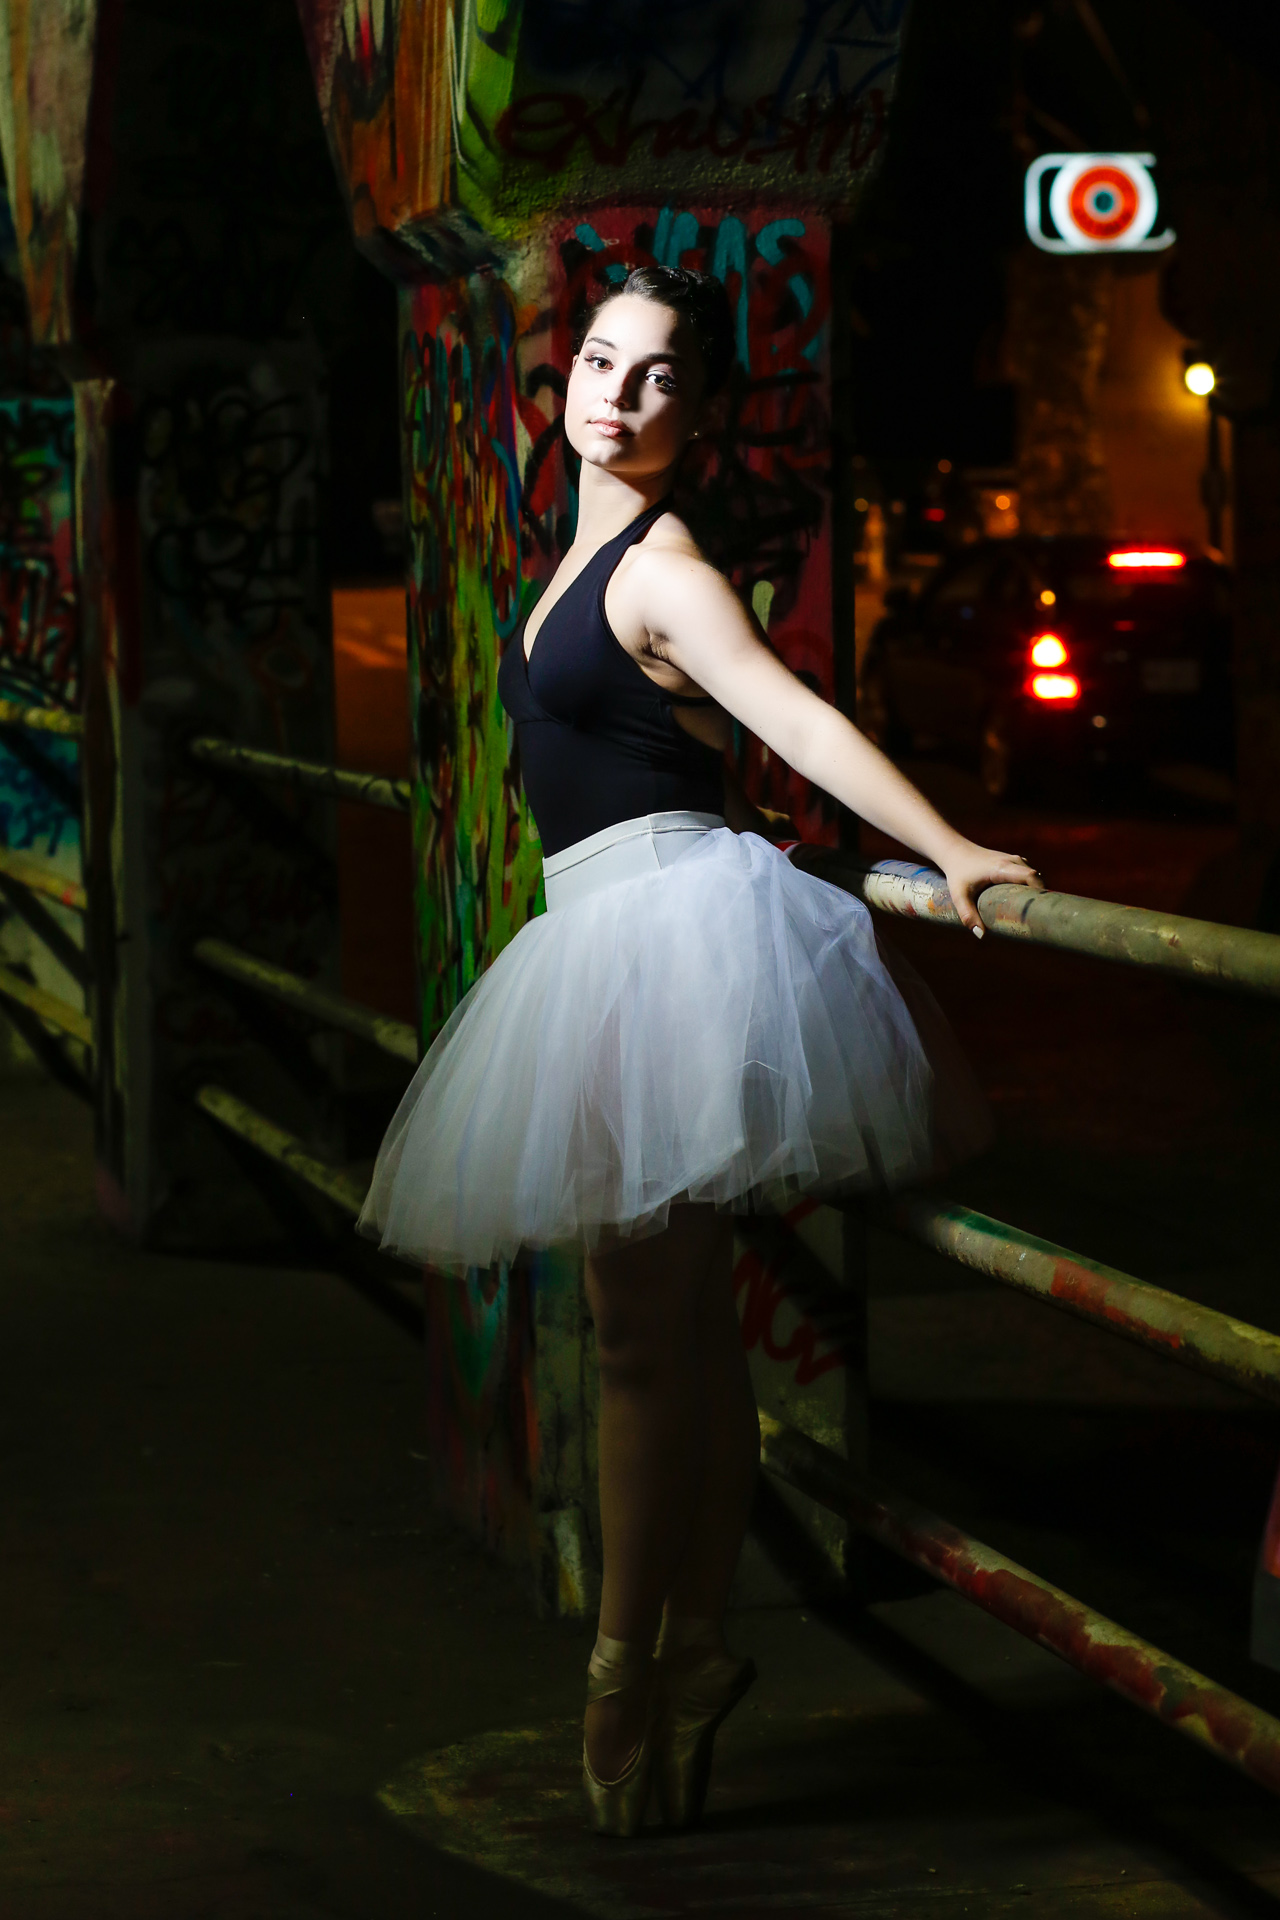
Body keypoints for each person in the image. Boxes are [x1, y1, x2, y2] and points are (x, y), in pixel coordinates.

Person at [360, 264, 1043, 1838]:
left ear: (697, 410)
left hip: (668, 931)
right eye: (602, 360)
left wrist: (948, 847)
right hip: (599, 940)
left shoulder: (665, 569)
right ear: (570, 378)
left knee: (647, 1339)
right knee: (674, 1346)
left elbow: (791, 719)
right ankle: (694, 1651)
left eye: (658, 375)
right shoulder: (570, 557)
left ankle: (624, 1670)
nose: (618, 390)